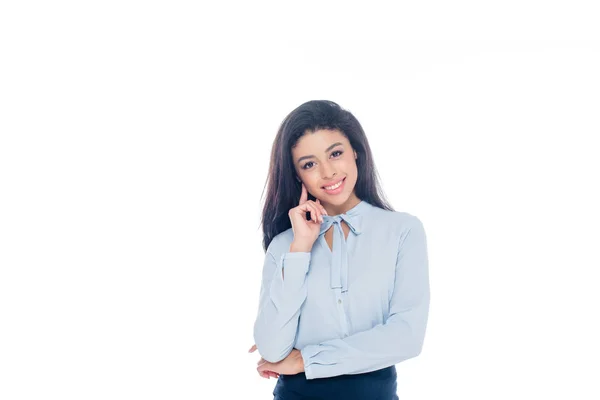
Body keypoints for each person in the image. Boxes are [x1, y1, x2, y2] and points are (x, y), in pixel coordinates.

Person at [249, 100, 430, 400]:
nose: (328, 172)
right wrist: (301, 249)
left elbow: (407, 337)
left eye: (335, 153)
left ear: (355, 151)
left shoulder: (402, 231)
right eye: (309, 164)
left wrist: (306, 360)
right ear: (297, 175)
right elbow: (271, 348)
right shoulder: (285, 245)